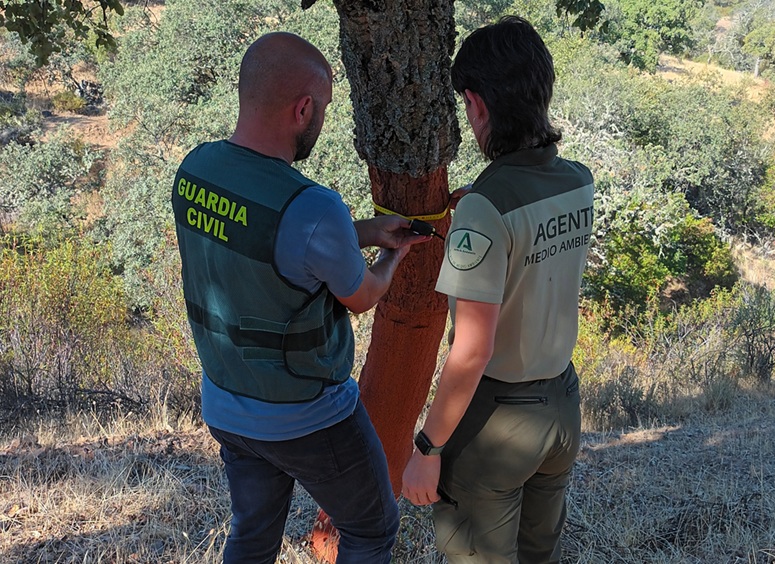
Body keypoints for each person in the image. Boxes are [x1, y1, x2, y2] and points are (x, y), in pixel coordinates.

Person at [172, 32, 426, 564]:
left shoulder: (194, 171)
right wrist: (392, 256)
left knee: (252, 536)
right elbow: (362, 296)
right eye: (324, 108)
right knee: (373, 530)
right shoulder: (313, 206)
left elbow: (265, 240)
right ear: (303, 108)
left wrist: (365, 231)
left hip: (226, 403)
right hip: (307, 417)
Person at [401, 16, 595, 564]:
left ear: (479, 104)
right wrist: (478, 212)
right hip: (561, 407)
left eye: (467, 105)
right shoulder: (579, 181)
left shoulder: (483, 210)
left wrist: (427, 448)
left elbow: (472, 349)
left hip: (498, 423)